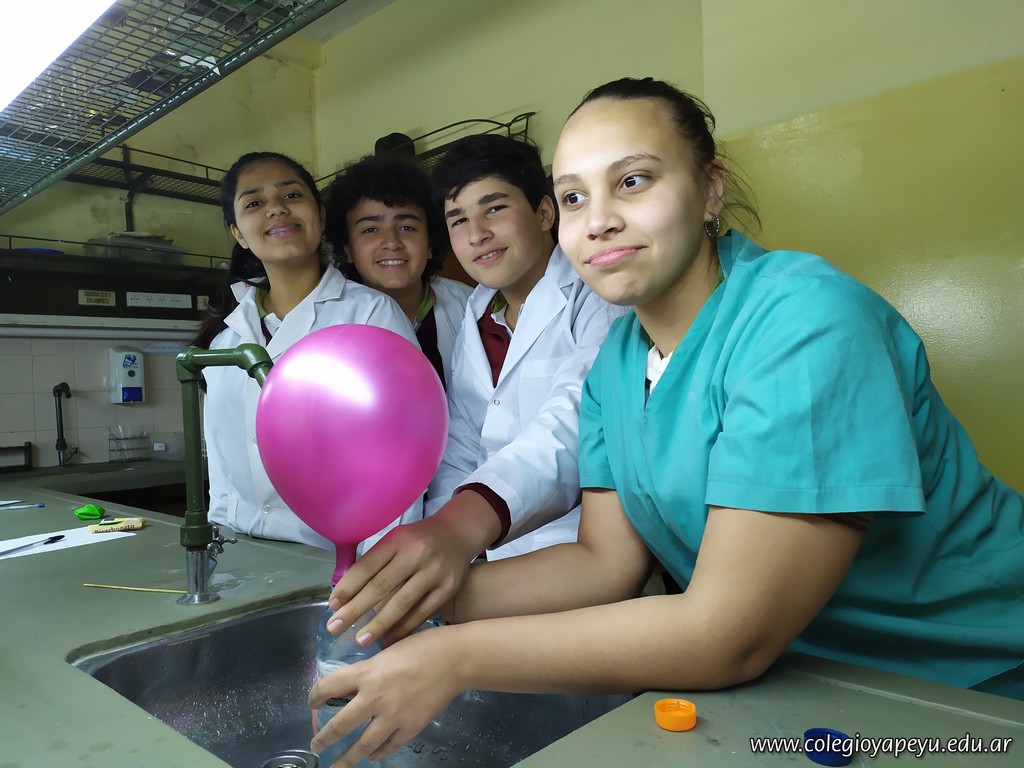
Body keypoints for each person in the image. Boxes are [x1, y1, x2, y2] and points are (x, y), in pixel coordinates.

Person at [307, 77, 1024, 764]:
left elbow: (727, 634)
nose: (599, 220)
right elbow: (603, 564)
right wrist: (411, 602)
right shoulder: (619, 363)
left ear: (710, 189)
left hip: (974, 684)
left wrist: (451, 655)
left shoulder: (805, 322)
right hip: (815, 687)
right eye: (575, 196)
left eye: (633, 181)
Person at [323, 133, 627, 643]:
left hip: (578, 563)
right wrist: (437, 541)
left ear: (545, 212)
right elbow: (463, 438)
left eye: (495, 208)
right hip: (488, 558)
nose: (478, 234)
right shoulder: (479, 310)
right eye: (458, 219)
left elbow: (572, 423)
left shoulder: (596, 294)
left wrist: (458, 529)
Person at [194, 151, 421, 550]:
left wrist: (381, 565)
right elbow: (222, 469)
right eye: (254, 203)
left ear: (320, 215)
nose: (276, 209)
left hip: (339, 556)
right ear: (238, 234)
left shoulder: (370, 315)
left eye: (291, 195)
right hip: (241, 550)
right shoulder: (226, 340)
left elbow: (403, 454)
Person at [321, 153, 473, 390]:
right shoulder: (328, 328)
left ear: (430, 243)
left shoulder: (471, 307)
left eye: (407, 227)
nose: (391, 243)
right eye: (370, 229)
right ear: (347, 249)